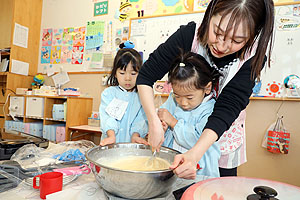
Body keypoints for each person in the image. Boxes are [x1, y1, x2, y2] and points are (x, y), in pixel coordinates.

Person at [136, 0, 274, 179]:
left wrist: (195, 154)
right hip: (179, 145)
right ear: (209, 15)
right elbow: (146, 77)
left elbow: (228, 107)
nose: (222, 46)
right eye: (217, 32)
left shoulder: (252, 56)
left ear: (253, 35)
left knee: (221, 188)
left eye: (237, 40)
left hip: (223, 137)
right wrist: (154, 123)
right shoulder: (188, 36)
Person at [158, 51, 221, 177]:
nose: (183, 102)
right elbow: (161, 112)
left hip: (201, 172)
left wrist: (173, 123)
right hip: (173, 165)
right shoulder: (173, 99)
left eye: (189, 97)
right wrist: (161, 124)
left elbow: (199, 141)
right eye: (177, 96)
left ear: (207, 88)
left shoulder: (211, 110)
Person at [99, 47, 148, 146]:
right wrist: (111, 135)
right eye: (122, 73)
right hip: (110, 146)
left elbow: (141, 120)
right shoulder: (109, 94)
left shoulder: (142, 96)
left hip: (131, 147)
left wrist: (135, 135)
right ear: (115, 73)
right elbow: (108, 117)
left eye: (133, 73)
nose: (128, 78)